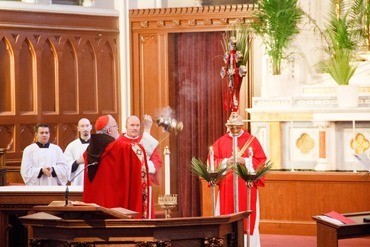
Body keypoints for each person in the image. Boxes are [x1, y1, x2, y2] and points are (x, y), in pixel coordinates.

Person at [82, 115, 151, 219]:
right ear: (109, 130)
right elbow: (139, 152)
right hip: (115, 213)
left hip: (94, 213)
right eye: (115, 126)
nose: (118, 129)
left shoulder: (88, 150)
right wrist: (147, 131)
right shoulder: (121, 148)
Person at [212, 116, 267, 247]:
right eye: (231, 126)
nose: (234, 129)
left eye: (237, 126)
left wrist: (245, 161)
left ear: (241, 126)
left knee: (247, 221)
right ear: (228, 126)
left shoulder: (252, 141)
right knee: (225, 221)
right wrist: (227, 161)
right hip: (226, 188)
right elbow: (211, 164)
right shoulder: (220, 142)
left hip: (246, 187)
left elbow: (261, 163)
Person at [118, 115, 162, 185]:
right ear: (126, 126)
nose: (135, 128)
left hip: (144, 184)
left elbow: (157, 161)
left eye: (137, 125)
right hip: (127, 183)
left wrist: (143, 166)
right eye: (132, 125)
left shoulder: (144, 140)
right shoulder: (119, 142)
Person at [64, 118, 92, 186]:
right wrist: (77, 162)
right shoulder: (72, 146)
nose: (85, 129)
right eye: (82, 126)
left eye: (87, 125)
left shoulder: (97, 144)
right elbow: (65, 165)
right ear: (78, 128)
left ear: (91, 127)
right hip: (78, 181)